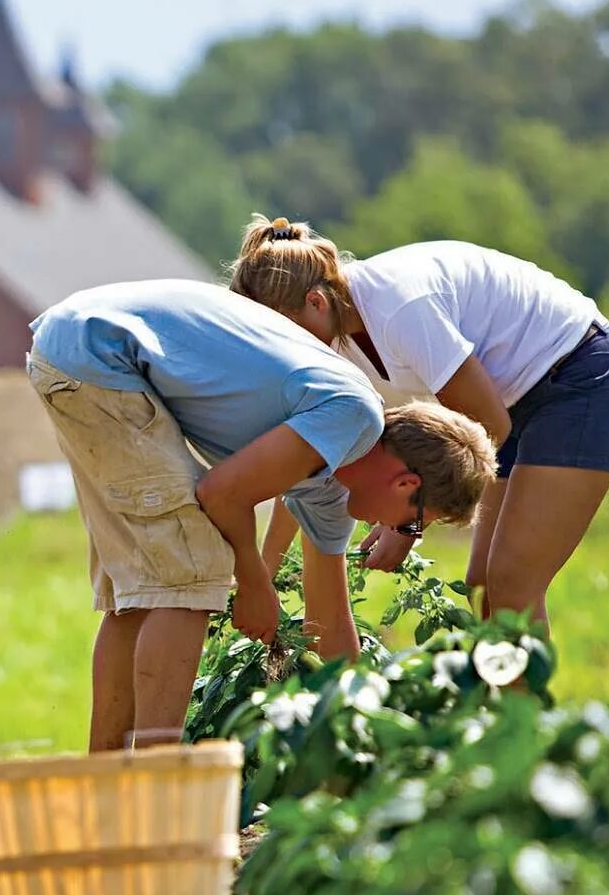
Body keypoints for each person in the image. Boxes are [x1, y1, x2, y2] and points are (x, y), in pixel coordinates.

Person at [28, 279, 497, 752]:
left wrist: (358, 724)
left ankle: (105, 779)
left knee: (143, 593)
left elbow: (330, 621)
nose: (398, 533)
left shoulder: (332, 485)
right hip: (101, 354)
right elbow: (221, 493)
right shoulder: (352, 416)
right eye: (414, 523)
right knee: (193, 570)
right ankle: (159, 777)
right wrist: (254, 584)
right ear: (406, 485)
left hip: (80, 348)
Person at [230, 217, 609, 627]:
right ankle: (495, 696)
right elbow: (305, 461)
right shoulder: (328, 336)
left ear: (316, 303)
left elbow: (488, 430)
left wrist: (408, 523)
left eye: (282, 333)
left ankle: (520, 699)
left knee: (512, 585)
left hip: (580, 375)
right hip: (508, 402)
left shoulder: (399, 310)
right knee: (483, 586)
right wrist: (263, 577)